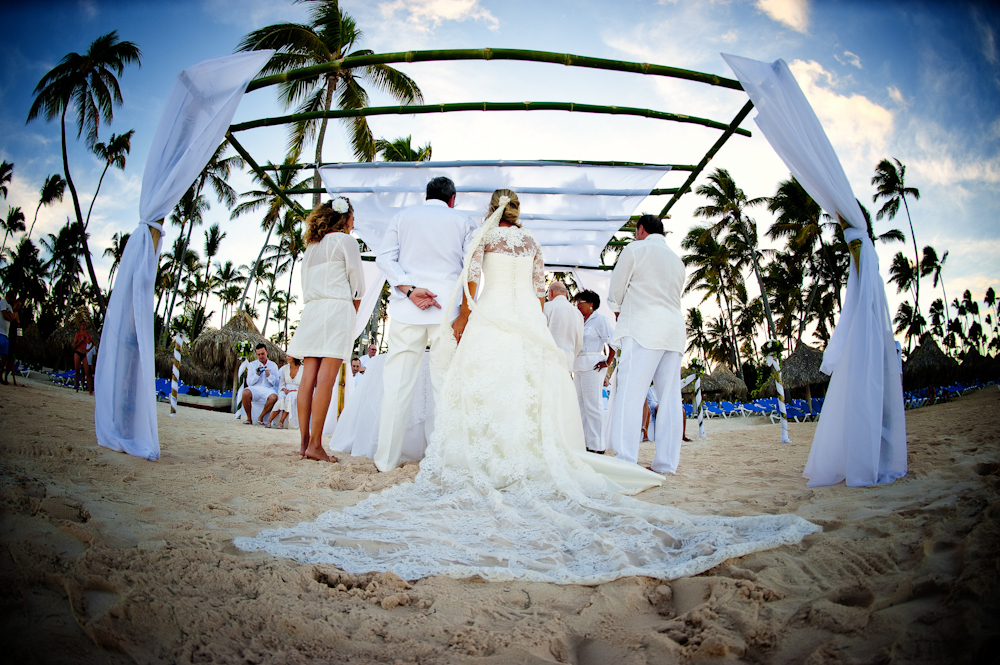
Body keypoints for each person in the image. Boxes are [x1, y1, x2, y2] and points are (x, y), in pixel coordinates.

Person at [236, 189, 818, 584]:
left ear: (492, 212)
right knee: (531, 389)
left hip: (487, 318)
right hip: (528, 322)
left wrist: (463, 315)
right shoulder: (533, 244)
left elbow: (469, 285)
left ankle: (428, 454)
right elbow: (540, 288)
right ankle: (576, 454)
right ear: (519, 213)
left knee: (478, 386)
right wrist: (522, 308)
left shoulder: (483, 240)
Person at [373, 176, 477, 472]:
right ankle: (445, 461)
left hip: (407, 309)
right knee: (445, 386)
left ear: (427, 195)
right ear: (452, 199)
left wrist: (409, 289)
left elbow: (385, 259)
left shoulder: (402, 217)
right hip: (448, 311)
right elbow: (471, 268)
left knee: (396, 386)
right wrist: (466, 313)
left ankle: (386, 461)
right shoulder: (463, 221)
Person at [286, 198, 364, 461]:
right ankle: (316, 445)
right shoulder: (346, 242)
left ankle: (304, 443)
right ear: (343, 218)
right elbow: (357, 286)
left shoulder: (311, 248)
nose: (353, 222)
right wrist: (351, 312)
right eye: (352, 217)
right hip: (337, 309)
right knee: (326, 378)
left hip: (312, 310)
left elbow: (305, 285)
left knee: (308, 378)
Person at [608, 214, 686, 474]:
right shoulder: (677, 260)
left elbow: (616, 290)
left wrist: (618, 310)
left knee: (631, 393)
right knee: (670, 397)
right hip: (673, 331)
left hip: (643, 328)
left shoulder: (635, 249)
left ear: (641, 230)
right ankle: (666, 463)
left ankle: (625, 459)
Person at [574, 290, 614, 453]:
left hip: (593, 364)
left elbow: (612, 342)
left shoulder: (600, 320)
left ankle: (597, 445)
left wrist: (608, 362)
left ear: (591, 304)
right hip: (578, 365)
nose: (577, 305)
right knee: (580, 405)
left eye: (580, 302)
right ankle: (585, 442)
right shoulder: (579, 321)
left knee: (593, 404)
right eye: (576, 302)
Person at [543, 281, 583, 372]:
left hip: (547, 358)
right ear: (566, 295)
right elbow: (579, 342)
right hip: (568, 359)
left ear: (551, 292)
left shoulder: (546, 307)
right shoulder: (577, 313)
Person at [242, 343, 280, 426]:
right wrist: (257, 374)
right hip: (255, 388)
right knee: (245, 392)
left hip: (268, 389)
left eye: (262, 354)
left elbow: (277, 383)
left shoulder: (273, 365)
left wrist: (269, 376)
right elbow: (249, 383)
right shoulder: (252, 365)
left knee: (273, 397)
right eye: (258, 354)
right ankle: (249, 419)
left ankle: (261, 417)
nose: (261, 356)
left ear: (266, 352)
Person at [267, 356, 301, 429]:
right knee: (282, 397)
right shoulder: (285, 368)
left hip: (297, 390)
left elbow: (305, 384)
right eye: (286, 356)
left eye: (289, 356)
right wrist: (284, 389)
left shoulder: (303, 369)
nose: (287, 358)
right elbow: (281, 383)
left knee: (290, 396)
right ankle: (269, 421)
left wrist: (293, 391)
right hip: (285, 389)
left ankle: (281, 422)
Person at [1, 295, 20, 386]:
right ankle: (4, 376)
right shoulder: (8, 308)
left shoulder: (14, 313)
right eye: (17, 305)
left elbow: (16, 320)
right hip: (8, 335)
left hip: (12, 337)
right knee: (6, 357)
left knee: (10, 358)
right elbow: (10, 318)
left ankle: (7, 377)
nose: (18, 307)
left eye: (19, 306)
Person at [72, 320, 95, 394]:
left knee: (87, 372)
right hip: (78, 352)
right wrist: (80, 341)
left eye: (85, 325)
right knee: (77, 370)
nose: (84, 326)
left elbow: (93, 343)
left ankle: (90, 390)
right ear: (80, 326)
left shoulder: (87, 334)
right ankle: (77, 388)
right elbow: (74, 346)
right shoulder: (78, 334)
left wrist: (88, 349)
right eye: (82, 324)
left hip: (84, 353)